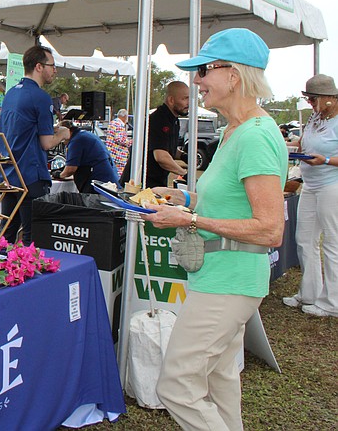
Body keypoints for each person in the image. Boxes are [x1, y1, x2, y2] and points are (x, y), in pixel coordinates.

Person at [144, 28, 287, 431]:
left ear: (234, 75)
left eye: (204, 71)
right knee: (220, 379)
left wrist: (191, 220)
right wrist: (185, 201)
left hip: (230, 281)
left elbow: (270, 229)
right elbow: (230, 200)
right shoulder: (233, 131)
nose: (197, 81)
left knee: (176, 385)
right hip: (221, 277)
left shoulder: (254, 137)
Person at [282, 73, 338, 317]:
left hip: (331, 184)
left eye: (314, 99)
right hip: (310, 183)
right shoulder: (316, 118)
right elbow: (303, 145)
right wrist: (286, 149)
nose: (311, 104)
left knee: (332, 243)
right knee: (304, 238)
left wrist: (325, 160)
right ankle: (310, 293)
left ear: (330, 98)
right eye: (309, 99)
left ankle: (332, 303)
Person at [0, 45, 58, 244]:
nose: (55, 70)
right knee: (33, 239)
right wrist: (63, 134)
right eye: (52, 65)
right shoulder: (41, 97)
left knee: (6, 235)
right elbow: (47, 143)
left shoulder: (11, 93)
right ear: (39, 67)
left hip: (8, 173)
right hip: (30, 175)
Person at [121, 80, 189, 188]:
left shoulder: (174, 120)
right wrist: (184, 173)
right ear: (171, 100)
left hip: (156, 183)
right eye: (185, 98)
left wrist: (183, 155)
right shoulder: (158, 120)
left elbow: (167, 146)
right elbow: (161, 157)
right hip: (140, 184)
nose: (188, 103)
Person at [53, 121, 119, 193]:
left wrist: (59, 175)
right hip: (108, 179)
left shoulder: (76, 141)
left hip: (99, 183)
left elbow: (70, 169)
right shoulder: (84, 135)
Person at [105, 109, 132, 175]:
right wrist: (130, 142)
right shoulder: (120, 125)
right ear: (125, 116)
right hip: (118, 155)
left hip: (111, 153)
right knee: (119, 175)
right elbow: (119, 139)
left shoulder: (112, 123)